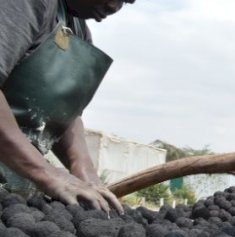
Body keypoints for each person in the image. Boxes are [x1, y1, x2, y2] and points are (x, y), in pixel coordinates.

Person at [0, 0, 134, 215]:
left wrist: (84, 170)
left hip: (12, 192)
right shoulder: (26, 4)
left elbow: (65, 113)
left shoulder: (78, 31)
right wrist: (45, 172)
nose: (114, 7)